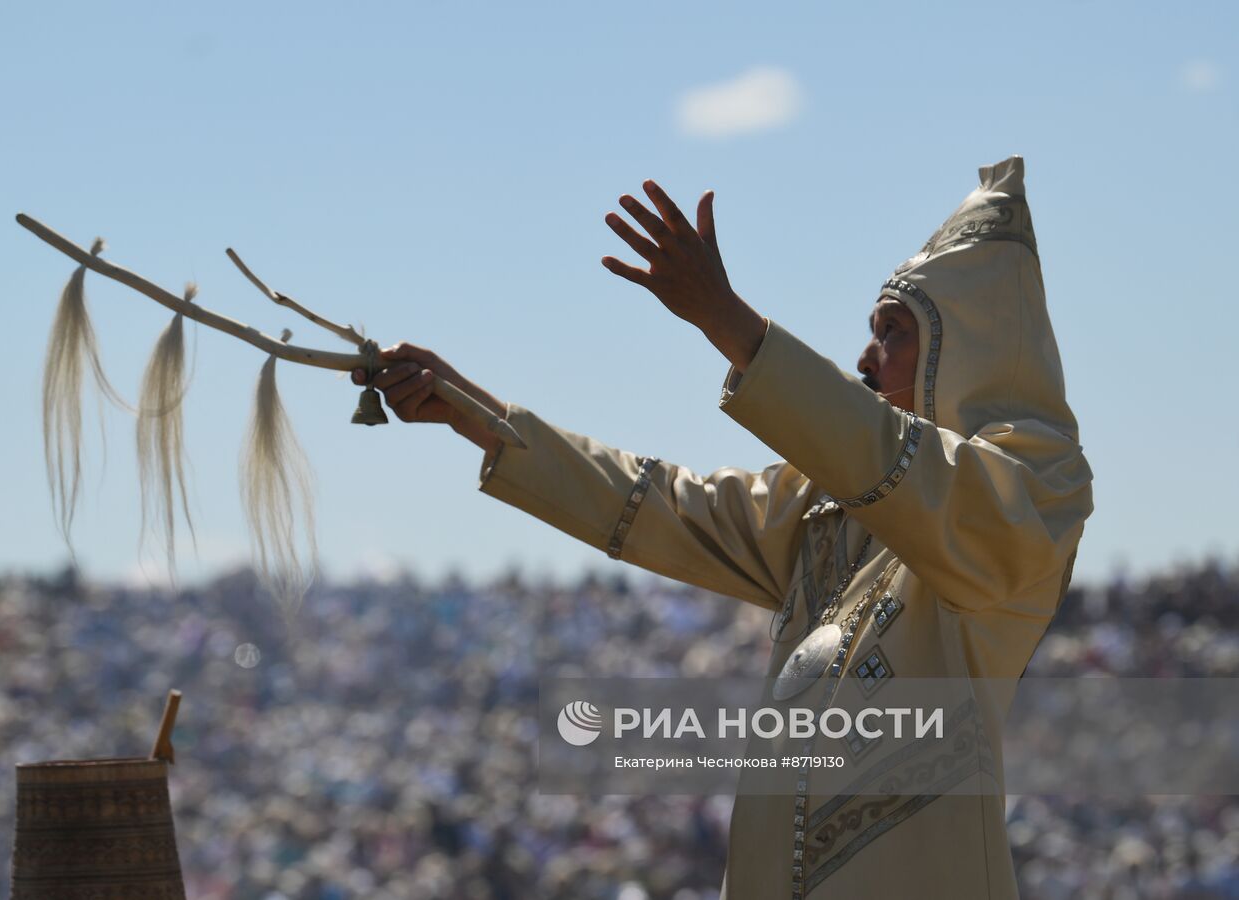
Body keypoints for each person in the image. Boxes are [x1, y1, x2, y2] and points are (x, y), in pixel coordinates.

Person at [352, 155, 1093, 899]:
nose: (865, 360)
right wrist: (475, 416)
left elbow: (935, 486)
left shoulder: (1038, 491)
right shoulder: (826, 505)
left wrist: (727, 320)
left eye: (893, 333)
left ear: (960, 356)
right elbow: (660, 505)